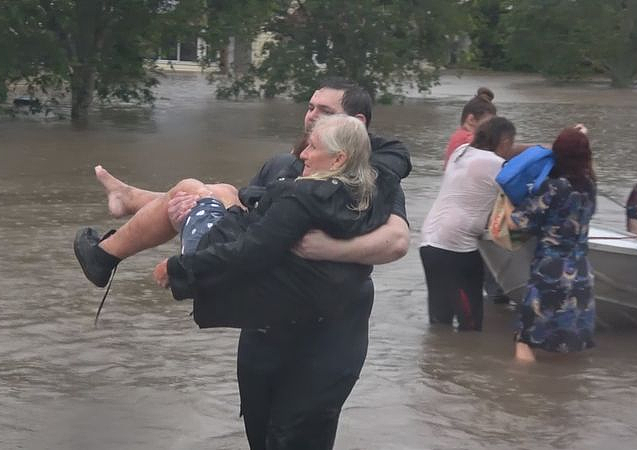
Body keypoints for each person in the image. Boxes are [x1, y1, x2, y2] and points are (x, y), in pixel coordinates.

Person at [78, 78, 411, 449]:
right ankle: (126, 213)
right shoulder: (286, 165)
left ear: (357, 127)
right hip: (265, 325)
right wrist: (191, 208)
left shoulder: (375, 175)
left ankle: (120, 221)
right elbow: (244, 216)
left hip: (327, 334)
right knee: (260, 433)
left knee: (296, 437)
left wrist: (325, 249)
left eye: (326, 112)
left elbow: (397, 241)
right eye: (311, 107)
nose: (312, 118)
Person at [508, 126, 597, 362]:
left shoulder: (554, 187)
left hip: (551, 273)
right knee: (568, 345)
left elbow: (517, 223)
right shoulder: (590, 186)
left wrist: (505, 203)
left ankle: (521, 392)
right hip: (581, 275)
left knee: (525, 338)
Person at [420, 117, 516, 331]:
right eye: (511, 143)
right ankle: (465, 361)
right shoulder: (497, 165)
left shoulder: (461, 151)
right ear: (505, 141)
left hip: (429, 242)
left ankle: (438, 360)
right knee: (470, 325)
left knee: (439, 321)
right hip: (456, 248)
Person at [443, 87, 497, 168]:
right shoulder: (469, 140)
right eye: (488, 123)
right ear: (471, 119)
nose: (491, 127)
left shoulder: (458, 135)